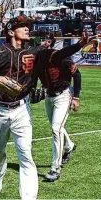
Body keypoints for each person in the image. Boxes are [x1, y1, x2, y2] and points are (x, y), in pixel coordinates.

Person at [0, 15, 94, 199]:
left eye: (27, 25)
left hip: (21, 110)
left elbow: (57, 55)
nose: (27, 28)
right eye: (22, 26)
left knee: (25, 155)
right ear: (11, 31)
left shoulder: (36, 52)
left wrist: (78, 45)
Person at [31, 34, 82, 182]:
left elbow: (77, 75)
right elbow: (33, 79)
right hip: (49, 96)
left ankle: (55, 168)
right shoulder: (36, 59)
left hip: (63, 96)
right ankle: (69, 146)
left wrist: (76, 97)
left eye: (44, 40)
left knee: (56, 128)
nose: (41, 43)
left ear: (49, 43)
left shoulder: (59, 56)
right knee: (57, 127)